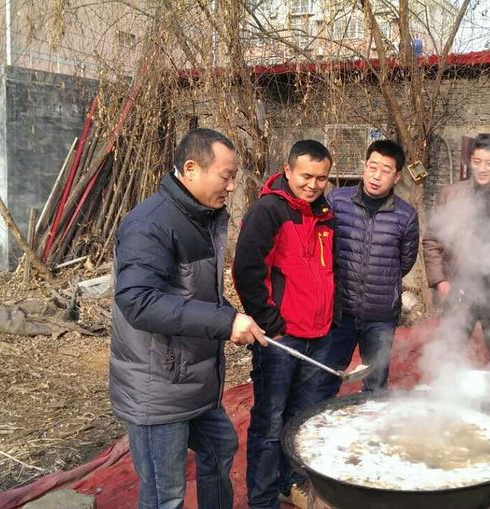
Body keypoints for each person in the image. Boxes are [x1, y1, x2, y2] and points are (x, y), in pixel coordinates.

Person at [110, 128, 266, 509]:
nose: (231, 187)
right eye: (226, 177)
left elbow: (191, 295)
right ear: (192, 169)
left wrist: (226, 317)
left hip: (194, 380)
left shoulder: (201, 218)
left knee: (220, 448)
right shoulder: (150, 223)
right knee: (167, 495)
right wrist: (225, 323)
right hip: (158, 387)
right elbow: (138, 300)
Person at [233, 139, 338, 509]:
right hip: (282, 339)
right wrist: (271, 324)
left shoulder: (324, 215)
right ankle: (261, 498)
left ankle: (290, 482)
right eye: (306, 175)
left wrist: (332, 316)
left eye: (321, 178)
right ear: (289, 170)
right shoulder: (269, 212)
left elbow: (329, 271)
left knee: (302, 419)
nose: (313, 184)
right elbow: (247, 270)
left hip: (319, 336)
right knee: (270, 421)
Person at [317, 139, 419, 399]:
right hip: (340, 312)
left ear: (396, 177)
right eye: (372, 167)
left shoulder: (405, 215)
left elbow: (404, 262)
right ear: (364, 166)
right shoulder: (337, 202)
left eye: (385, 170)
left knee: (375, 384)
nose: (376, 176)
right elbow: (323, 248)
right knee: (325, 379)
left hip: (381, 316)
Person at [422, 136, 490, 359]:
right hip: (459, 289)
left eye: (489, 163)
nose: (482, 169)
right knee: (450, 353)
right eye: (477, 161)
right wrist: (440, 280)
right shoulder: (451, 195)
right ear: (470, 161)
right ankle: (448, 391)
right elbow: (432, 241)